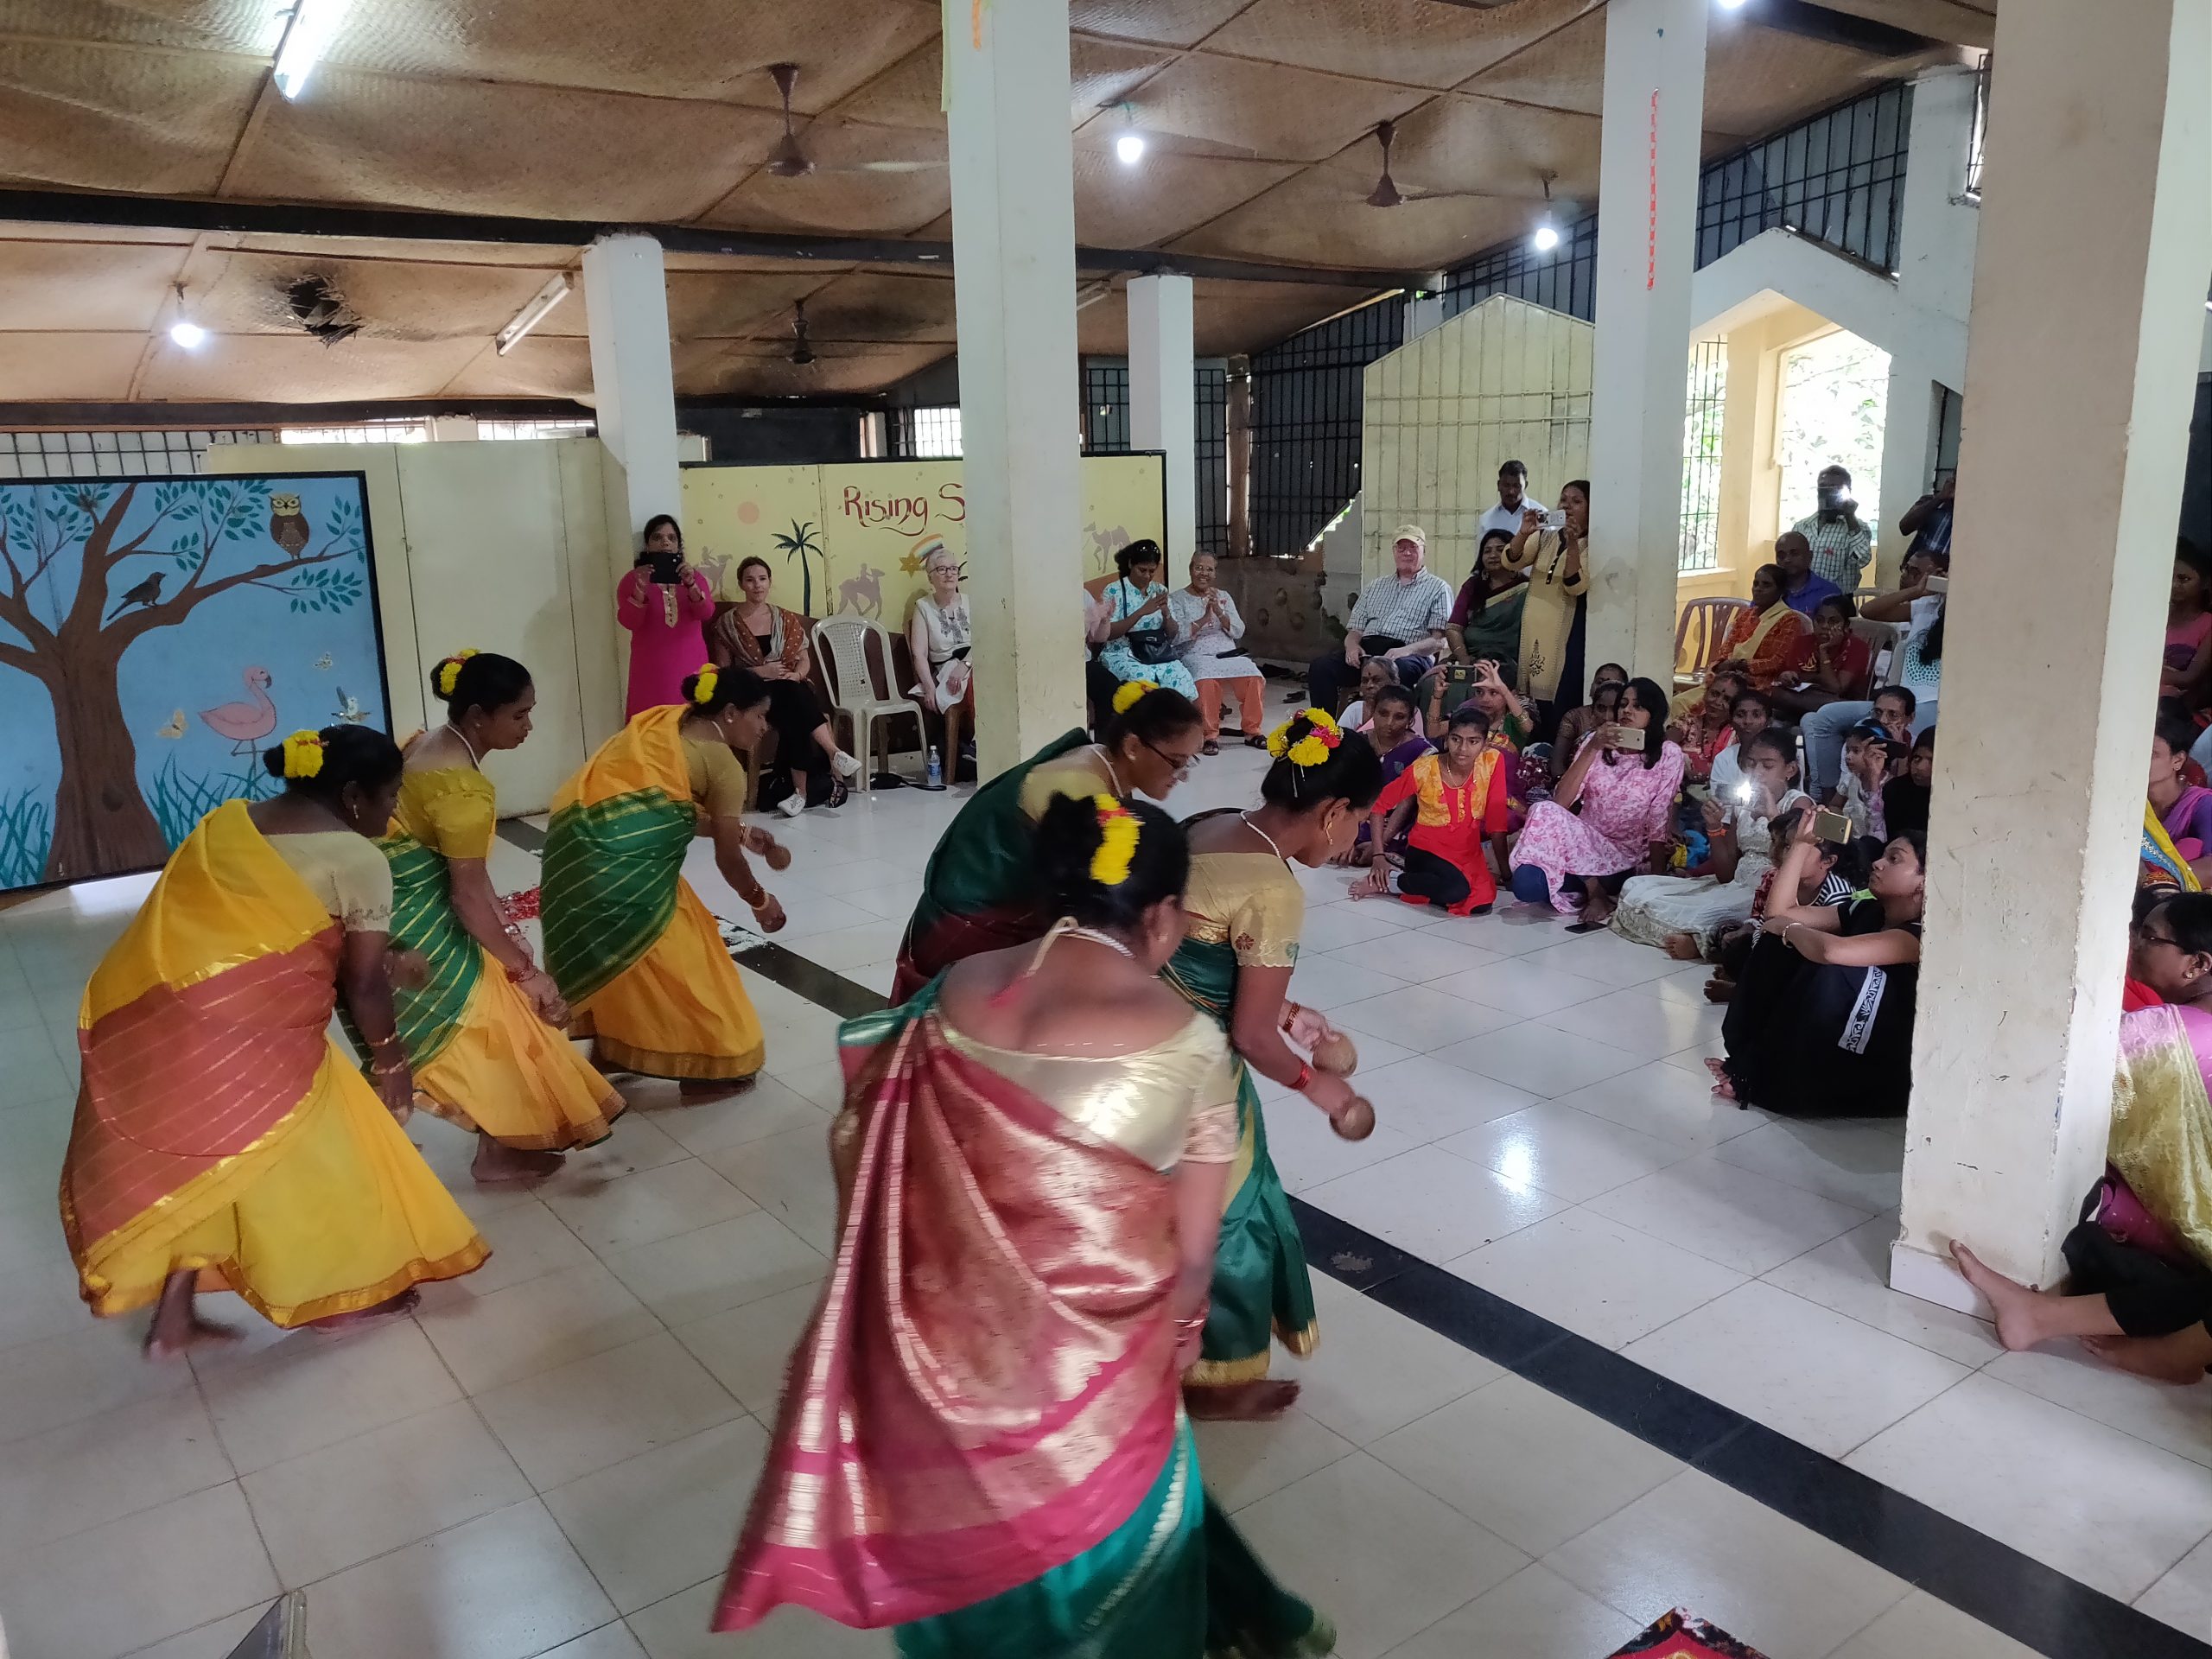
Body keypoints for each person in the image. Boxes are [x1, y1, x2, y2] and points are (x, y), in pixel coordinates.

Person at [715, 796, 1335, 1656]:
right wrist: (1185, 1330)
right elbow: (1195, 1249)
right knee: (1121, 1542)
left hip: (944, 1351)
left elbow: (872, 1134)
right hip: (1093, 1368)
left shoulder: (960, 989)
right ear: (1161, 917)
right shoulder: (1185, 1043)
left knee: (983, 1549)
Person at [61, 726, 487, 1357]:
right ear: (350, 796)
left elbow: (264, 931)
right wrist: (391, 1057)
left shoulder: (226, 825)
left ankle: (173, 1322)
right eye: (390, 796)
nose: (394, 811)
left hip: (168, 1018)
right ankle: (335, 1302)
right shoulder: (357, 858)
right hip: (256, 1035)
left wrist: (388, 953)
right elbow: (362, 981)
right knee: (320, 1155)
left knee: (204, 1162)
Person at [1169, 714, 1382, 1420]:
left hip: (1137, 1039)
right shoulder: (1274, 889)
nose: (1355, 839)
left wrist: (1291, 1013)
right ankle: (1211, 1374)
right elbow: (1252, 1038)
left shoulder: (1212, 823)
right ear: (1332, 812)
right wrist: (1322, 1089)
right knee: (1235, 1212)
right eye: (1360, 821)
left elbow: (1200, 958)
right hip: (1191, 1073)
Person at [1948, 893, 2212, 1386]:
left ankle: (2045, 1317)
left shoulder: (2160, 1032)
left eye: (2149, 937)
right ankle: (2175, 1347)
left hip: (2177, 1232)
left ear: (2197, 964)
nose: (2134, 944)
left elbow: (2050, 1067)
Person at [385, 652, 625, 1181]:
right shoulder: (461, 788)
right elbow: (467, 893)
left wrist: (512, 945)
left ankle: (500, 1143)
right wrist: (525, 970)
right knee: (487, 1018)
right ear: (476, 715)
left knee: (503, 1012)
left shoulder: (424, 743)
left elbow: (467, 876)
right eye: (519, 715)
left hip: (400, 904)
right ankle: (491, 1147)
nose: (529, 726)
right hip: (412, 920)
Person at [543, 665, 789, 1096]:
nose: (764, 727)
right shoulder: (723, 764)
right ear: (731, 712)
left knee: (641, 956)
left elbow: (658, 803)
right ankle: (710, 1066)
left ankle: (619, 1047)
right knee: (691, 964)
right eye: (759, 716)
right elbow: (728, 861)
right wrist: (760, 899)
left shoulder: (662, 723)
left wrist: (739, 831)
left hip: (575, 853)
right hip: (626, 873)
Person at [892, 680, 1205, 1000]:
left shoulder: (1103, 762)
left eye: (1190, 762)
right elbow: (1090, 901)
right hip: (970, 923)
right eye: (1177, 762)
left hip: (1000, 908)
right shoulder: (1077, 787)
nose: (1182, 776)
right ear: (1133, 747)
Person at [1710, 826, 1926, 1116]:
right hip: (1829, 1037)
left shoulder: (1919, 935)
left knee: (1831, 968)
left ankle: (1770, 1080)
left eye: (1894, 859)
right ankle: (1747, 1060)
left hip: (1871, 1061)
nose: (1878, 863)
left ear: (1923, 883)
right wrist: (1800, 844)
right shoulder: (1869, 911)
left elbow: (1831, 951)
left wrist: (1790, 928)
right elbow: (1778, 914)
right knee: (1775, 946)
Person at [1611, 728, 1812, 960]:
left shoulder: (1799, 804)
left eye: (1767, 766)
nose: (1756, 773)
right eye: (1751, 764)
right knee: (1636, 886)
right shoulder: (1742, 805)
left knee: (1702, 915)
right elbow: (1726, 874)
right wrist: (1714, 827)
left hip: (1765, 893)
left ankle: (1702, 941)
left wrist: (1772, 815)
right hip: (1734, 885)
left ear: (1790, 770)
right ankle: (1697, 934)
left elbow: (1796, 861)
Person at [1510, 677, 1685, 928]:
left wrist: (1656, 883)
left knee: (1538, 880)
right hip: (1584, 848)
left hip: (1624, 858)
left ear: (1653, 715)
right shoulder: (1595, 743)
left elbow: (1659, 818)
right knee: (1526, 884)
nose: (1627, 710)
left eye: (1638, 706)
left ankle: (1595, 890)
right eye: (1623, 704)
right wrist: (1592, 748)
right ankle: (1594, 889)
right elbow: (1561, 802)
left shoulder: (1668, 754)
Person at [709, 556, 863, 817]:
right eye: (750, 580)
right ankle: (833, 753)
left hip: (787, 688)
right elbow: (724, 673)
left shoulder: (785, 618)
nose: (757, 585)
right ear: (741, 584)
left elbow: (804, 659)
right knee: (797, 701)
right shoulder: (727, 624)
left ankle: (800, 795)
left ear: (769, 583)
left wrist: (798, 675)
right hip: (752, 692)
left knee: (795, 704)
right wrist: (760, 671)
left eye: (762, 579)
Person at [1802, 551, 1944, 792]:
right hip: (1899, 698)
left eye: (1918, 572)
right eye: (1906, 569)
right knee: (1824, 717)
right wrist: (1918, 590)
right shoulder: (1926, 606)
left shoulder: (1967, 614)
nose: (1908, 576)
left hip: (1931, 704)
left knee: (1866, 732)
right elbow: (1869, 611)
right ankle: (1827, 793)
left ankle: (1868, 798)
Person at [1357, 705, 1513, 915]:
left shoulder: (1492, 762)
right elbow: (1379, 805)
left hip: (1467, 854)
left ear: (1485, 744)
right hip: (1425, 851)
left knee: (1481, 904)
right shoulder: (1425, 769)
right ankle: (1393, 881)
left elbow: (1496, 823)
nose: (1463, 749)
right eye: (1456, 739)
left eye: (1473, 741)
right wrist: (1378, 855)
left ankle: (1427, 888)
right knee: (1457, 890)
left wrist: (1506, 874)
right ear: (1447, 739)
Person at [1704, 805, 1855, 1003]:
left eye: (1799, 848)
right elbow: (1767, 922)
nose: (1788, 856)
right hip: (1785, 951)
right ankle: (1749, 988)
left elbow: (1784, 924)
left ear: (1827, 862)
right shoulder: (1784, 880)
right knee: (1740, 948)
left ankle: (1745, 993)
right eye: (1787, 847)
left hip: (1810, 963)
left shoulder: (1837, 894)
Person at [1306, 525, 1453, 715]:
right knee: (1321, 668)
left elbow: (1439, 640)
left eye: (1413, 547)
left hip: (1409, 654)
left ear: (1423, 551)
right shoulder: (1376, 586)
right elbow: (1355, 630)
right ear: (1394, 552)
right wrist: (1352, 647)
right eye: (1401, 548)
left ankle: (1389, 730)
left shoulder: (1438, 588)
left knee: (1400, 670)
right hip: (1368, 652)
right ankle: (1323, 730)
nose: (1407, 553)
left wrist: (1404, 651)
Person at [1671, 563, 1809, 718]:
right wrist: (1723, 665)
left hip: (1758, 685)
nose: (1758, 589)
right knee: (1678, 703)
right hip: (1729, 676)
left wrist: (1740, 665)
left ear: (1781, 591)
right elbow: (1726, 648)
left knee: (1713, 707)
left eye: (1766, 585)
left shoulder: (1789, 621)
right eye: (1756, 584)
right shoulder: (1746, 615)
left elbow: (1777, 662)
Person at [616, 514, 716, 717]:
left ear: (679, 545)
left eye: (672, 538)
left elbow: (706, 613)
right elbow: (629, 622)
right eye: (657, 537)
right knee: (651, 728)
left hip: (691, 662)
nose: (665, 542)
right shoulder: (631, 580)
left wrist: (691, 585)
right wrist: (640, 590)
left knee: (693, 725)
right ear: (647, 545)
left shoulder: (694, 577)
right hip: (651, 668)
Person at [1420, 528, 1527, 717]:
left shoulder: (1526, 588)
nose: (1493, 555)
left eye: (1500, 549)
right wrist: (1464, 659)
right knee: (1431, 684)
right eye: (1487, 551)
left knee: (1480, 687)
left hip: (1507, 662)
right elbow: (1453, 628)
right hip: (1471, 658)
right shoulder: (1473, 586)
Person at [1504, 480, 1590, 715]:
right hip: (1534, 626)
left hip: (1563, 630)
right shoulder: (1545, 536)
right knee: (1528, 698)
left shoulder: (1592, 544)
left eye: (1577, 501)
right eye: (1564, 500)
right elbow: (1512, 560)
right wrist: (1523, 532)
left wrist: (1573, 543)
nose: (1568, 506)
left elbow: (1576, 585)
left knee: (1556, 696)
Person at [1168, 551, 1268, 753]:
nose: (1203, 573)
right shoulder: (1177, 599)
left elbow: (1239, 630)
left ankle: (1252, 731)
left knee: (1254, 676)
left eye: (1209, 569)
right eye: (1199, 568)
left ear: (1215, 573)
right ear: (1190, 569)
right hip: (1195, 653)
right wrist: (1205, 617)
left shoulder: (1223, 596)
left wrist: (1219, 612)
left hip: (1227, 652)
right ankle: (1210, 736)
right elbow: (1176, 636)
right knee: (1205, 681)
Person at [1331, 684, 1430, 869]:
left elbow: (1406, 804)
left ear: (1410, 720)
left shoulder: (1422, 752)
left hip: (1394, 825)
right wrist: (1347, 837)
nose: (1389, 723)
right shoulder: (1355, 743)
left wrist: (1379, 846)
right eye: (1383, 714)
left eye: (1399, 717)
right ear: (1372, 711)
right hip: (1354, 818)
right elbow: (1344, 791)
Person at [1098, 538, 1198, 700]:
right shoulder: (1114, 590)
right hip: (1123, 652)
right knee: (1145, 682)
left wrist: (1166, 614)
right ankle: (1146, 725)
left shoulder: (1159, 590)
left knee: (1182, 679)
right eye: (1142, 570)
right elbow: (1108, 634)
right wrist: (1141, 612)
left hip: (1157, 652)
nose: (1147, 576)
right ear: (1131, 564)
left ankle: (1174, 724)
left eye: (1152, 571)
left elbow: (1172, 635)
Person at [906, 543, 975, 763]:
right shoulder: (923, 607)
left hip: (975, 660)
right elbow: (919, 654)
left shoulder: (971, 602)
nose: (949, 574)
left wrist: (965, 665)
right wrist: (928, 687)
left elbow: (986, 640)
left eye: (953, 569)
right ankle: (977, 743)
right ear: (930, 577)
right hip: (945, 667)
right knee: (977, 681)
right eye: (942, 569)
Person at [1770, 594, 1872, 716]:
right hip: (1806, 697)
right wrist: (1787, 676)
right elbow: (1794, 677)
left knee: (1829, 706)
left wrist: (1823, 650)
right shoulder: (1802, 642)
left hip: (1840, 705)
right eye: (1819, 620)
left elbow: (1836, 688)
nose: (1824, 626)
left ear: (1846, 625)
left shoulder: (1857, 647)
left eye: (1833, 622)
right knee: (1774, 692)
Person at [1790, 463, 1874, 589]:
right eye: (1823, 487)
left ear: (1847, 492)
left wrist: (1850, 516)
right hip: (1802, 601)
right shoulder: (1802, 527)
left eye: (1835, 487)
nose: (1827, 492)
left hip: (1838, 603)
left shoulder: (1858, 528)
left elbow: (1863, 560)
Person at [2152, 714, 2212, 885]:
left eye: (2152, 754)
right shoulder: (2127, 803)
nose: (2139, 760)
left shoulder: (2202, 804)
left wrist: (2154, 880)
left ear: (2178, 761)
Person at [1553, 668, 1627, 784]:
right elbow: (1558, 762)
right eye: (1600, 682)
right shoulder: (1575, 717)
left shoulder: (1633, 732)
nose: (1607, 717)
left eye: (1615, 709)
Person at [2163, 540, 2212, 707]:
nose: (2174, 585)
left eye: (2184, 579)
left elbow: (2190, 677)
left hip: (2176, 711)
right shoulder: (2154, 617)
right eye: (2170, 577)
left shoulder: (2207, 624)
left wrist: (2147, 674)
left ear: (2206, 583)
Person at [1705, 686, 1772, 804]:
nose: (1748, 721)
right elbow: (1722, 807)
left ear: (1768, 721)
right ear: (1731, 721)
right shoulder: (1724, 759)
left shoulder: (1783, 757)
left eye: (1756, 715)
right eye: (1740, 715)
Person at [1831, 720, 1896, 841]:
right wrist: (1841, 832)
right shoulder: (1850, 779)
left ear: (1877, 754)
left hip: (1875, 845)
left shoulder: (1889, 785)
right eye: (1848, 750)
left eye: (1856, 751)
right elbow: (1835, 805)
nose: (1848, 757)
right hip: (1849, 842)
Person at [1340, 655, 1423, 736]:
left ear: (1395, 682)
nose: (1369, 686)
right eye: (1365, 681)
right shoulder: (1354, 709)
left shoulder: (1410, 712)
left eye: (1377, 680)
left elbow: (1419, 747)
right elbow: (1338, 740)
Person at [1774, 530, 1844, 618]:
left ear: (1809, 556)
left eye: (1794, 554)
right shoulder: (1769, 589)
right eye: (1781, 556)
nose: (1787, 560)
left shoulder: (1829, 592)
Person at [1883, 727, 1936, 840]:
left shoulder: (1955, 799)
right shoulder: (1895, 790)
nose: (1920, 767)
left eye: (1931, 760)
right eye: (1917, 758)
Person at [1478, 459, 1546, 543]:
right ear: (1498, 485)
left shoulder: (1541, 514)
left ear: (1526, 485)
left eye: (1516, 486)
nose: (1511, 491)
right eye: (1506, 485)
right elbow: (1482, 554)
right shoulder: (1486, 520)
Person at [1897, 470, 1955, 565]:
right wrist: (1940, 498)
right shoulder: (1929, 501)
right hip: (1913, 573)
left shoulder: (1973, 514)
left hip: (1944, 576)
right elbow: (1904, 528)